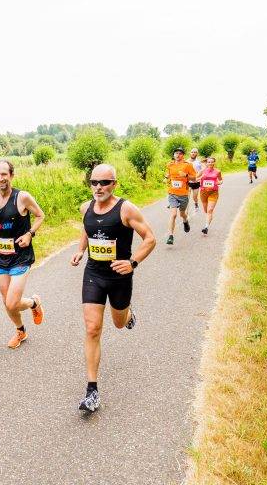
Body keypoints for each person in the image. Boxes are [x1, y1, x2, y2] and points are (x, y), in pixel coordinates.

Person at [70, 164, 156, 412]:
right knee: (92, 328)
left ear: (114, 184)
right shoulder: (85, 207)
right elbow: (87, 230)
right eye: (94, 182)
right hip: (94, 274)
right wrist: (80, 251)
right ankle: (92, 390)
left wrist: (132, 263)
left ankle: (128, 314)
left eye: (104, 182)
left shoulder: (126, 209)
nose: (98, 187)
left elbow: (150, 238)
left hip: (119, 277)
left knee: (118, 322)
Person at [0, 160, 46, 349]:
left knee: (11, 303)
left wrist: (29, 234)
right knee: (6, 301)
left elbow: (40, 215)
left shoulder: (22, 197)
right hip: (0, 256)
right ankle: (21, 330)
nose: (1, 178)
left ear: (11, 175)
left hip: (20, 256)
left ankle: (34, 303)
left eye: (4, 174)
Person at [164, 148, 197, 245]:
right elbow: (169, 175)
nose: (178, 155)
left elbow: (194, 178)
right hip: (172, 193)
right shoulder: (170, 164)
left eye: (180, 153)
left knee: (182, 214)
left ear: (183, 155)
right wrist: (166, 178)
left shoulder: (188, 165)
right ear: (173, 155)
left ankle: (185, 221)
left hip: (183, 194)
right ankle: (171, 236)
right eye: (176, 153)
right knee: (173, 214)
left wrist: (186, 175)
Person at [196, 157, 223, 234]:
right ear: (206, 163)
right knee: (206, 210)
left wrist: (220, 182)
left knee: (210, 210)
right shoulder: (202, 171)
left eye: (212, 162)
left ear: (214, 163)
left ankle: (206, 227)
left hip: (213, 192)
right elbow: (196, 179)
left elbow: (220, 179)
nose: (210, 163)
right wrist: (201, 177)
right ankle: (209, 217)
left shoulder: (218, 171)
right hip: (203, 192)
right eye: (209, 162)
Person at [187, 148, 204, 212]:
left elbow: (202, 171)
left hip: (196, 182)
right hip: (188, 182)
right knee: (187, 198)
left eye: (195, 152)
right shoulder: (186, 161)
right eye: (192, 152)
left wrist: (198, 178)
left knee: (195, 197)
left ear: (197, 153)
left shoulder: (199, 162)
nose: (193, 153)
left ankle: (196, 204)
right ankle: (186, 213)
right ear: (190, 153)